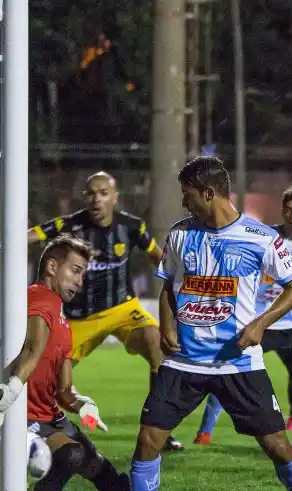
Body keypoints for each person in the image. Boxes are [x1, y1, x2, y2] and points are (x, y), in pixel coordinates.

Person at [129, 156, 292, 491]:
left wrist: (260, 323)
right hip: (184, 362)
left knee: (277, 447)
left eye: (188, 194)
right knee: (148, 441)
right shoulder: (180, 234)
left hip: (237, 362)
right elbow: (168, 284)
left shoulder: (260, 237)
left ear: (208, 193)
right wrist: (166, 327)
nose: (184, 202)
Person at [27, 172, 183, 451]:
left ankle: (159, 428)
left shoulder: (132, 226)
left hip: (123, 308)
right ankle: (39, 429)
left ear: (114, 197)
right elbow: (35, 234)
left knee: (158, 347)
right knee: (46, 376)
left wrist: (183, 282)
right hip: (80, 317)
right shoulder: (72, 225)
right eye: (90, 193)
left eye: (102, 193)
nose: (96, 199)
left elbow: (156, 256)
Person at [194, 184, 292, 444]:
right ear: (283, 213)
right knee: (226, 372)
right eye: (289, 210)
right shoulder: (264, 237)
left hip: (291, 327)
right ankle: (205, 432)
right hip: (258, 323)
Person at [0, 235, 129, 490]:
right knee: (71, 455)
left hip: (50, 414)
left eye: (83, 275)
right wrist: (11, 391)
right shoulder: (39, 298)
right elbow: (31, 349)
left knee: (99, 467)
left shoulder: (64, 323)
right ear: (51, 267)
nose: (80, 282)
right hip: (22, 415)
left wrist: (83, 405)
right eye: (76, 271)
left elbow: (64, 390)